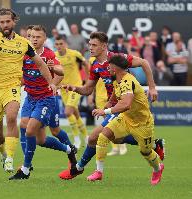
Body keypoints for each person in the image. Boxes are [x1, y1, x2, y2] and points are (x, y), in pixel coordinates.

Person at [58, 31, 164, 180]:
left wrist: (152, 87)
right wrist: (75, 88)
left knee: (94, 137)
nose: (90, 47)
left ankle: (78, 168)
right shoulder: (95, 65)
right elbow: (88, 89)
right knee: (113, 138)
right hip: (117, 105)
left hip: (126, 105)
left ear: (104, 46)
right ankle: (154, 144)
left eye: (94, 45)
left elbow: (144, 63)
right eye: (89, 44)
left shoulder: (117, 59)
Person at [0, 8, 56, 172]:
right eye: (2, 22)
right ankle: (4, 153)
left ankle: (10, 158)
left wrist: (51, 82)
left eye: (8, 21)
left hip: (12, 87)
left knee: (12, 117)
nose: (5, 24)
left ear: (14, 22)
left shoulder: (23, 43)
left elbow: (40, 64)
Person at [9, 25, 77, 180]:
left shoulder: (48, 54)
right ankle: (68, 149)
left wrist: (53, 79)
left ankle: (26, 168)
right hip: (30, 98)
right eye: (31, 36)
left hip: (46, 99)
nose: (34, 39)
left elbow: (61, 72)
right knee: (38, 138)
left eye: (38, 37)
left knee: (33, 130)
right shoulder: (24, 54)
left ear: (44, 39)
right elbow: (22, 76)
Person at [89, 55, 164, 185]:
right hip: (125, 118)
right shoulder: (116, 79)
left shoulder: (127, 81)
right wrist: (108, 104)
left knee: (145, 152)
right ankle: (99, 172)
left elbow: (126, 104)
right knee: (103, 135)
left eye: (110, 65)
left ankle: (158, 168)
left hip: (142, 123)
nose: (108, 68)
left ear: (116, 68)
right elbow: (114, 96)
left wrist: (104, 111)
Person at [55, 35, 90, 149]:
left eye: (61, 44)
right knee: (75, 113)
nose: (59, 46)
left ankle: (76, 138)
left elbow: (85, 64)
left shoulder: (74, 54)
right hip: (64, 89)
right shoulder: (55, 57)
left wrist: (89, 79)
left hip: (76, 87)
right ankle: (86, 137)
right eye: (57, 44)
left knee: (68, 111)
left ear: (65, 44)